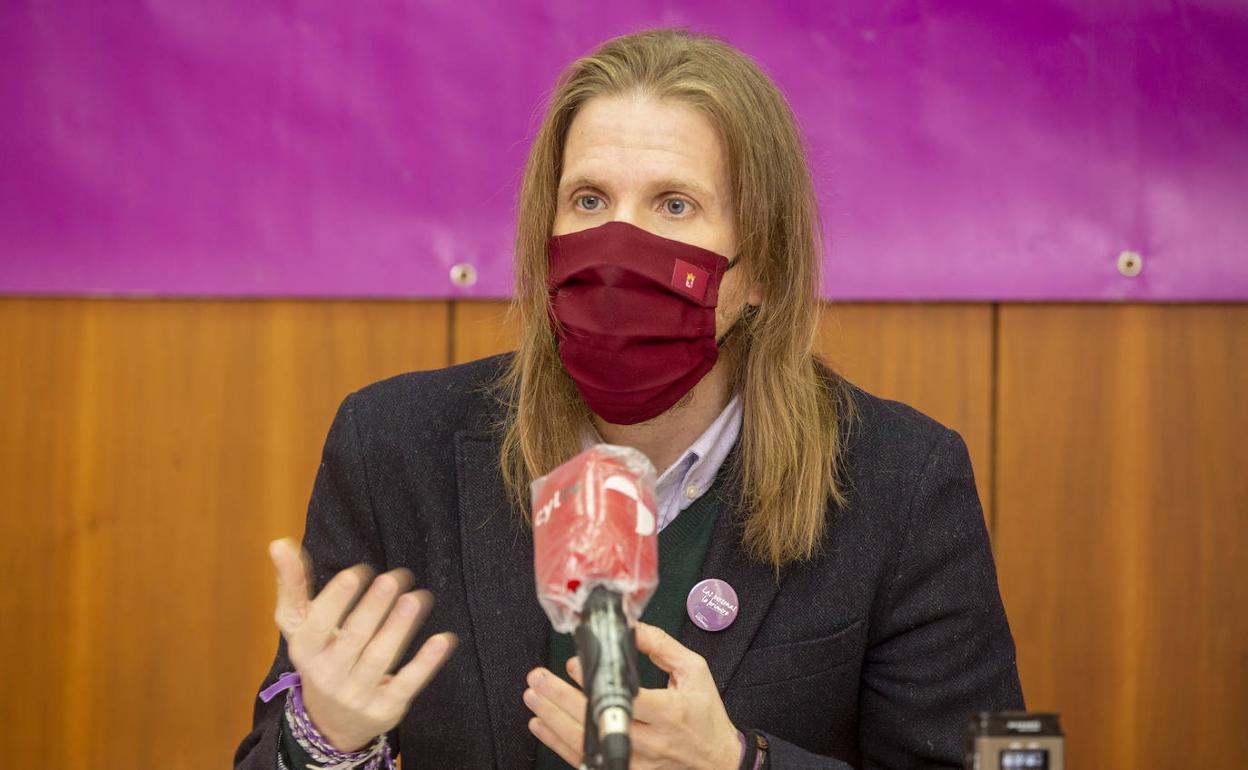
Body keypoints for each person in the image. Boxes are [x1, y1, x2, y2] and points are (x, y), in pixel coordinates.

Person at [233, 28, 1023, 770]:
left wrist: (740, 764)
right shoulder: (394, 447)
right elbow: (277, 749)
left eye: (674, 206)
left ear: (763, 272)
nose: (617, 247)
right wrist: (327, 736)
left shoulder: (903, 479)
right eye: (587, 201)